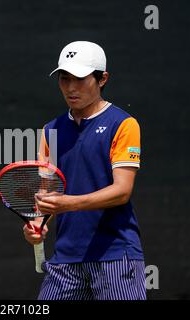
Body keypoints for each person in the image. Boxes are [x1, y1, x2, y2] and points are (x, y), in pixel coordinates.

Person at [23, 41, 146, 300]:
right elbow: (47, 197)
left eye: (79, 79)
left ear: (102, 79)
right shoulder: (50, 131)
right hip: (64, 263)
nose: (70, 87)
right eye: (64, 79)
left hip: (116, 257)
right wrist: (36, 226)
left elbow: (122, 191)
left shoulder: (124, 124)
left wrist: (68, 204)